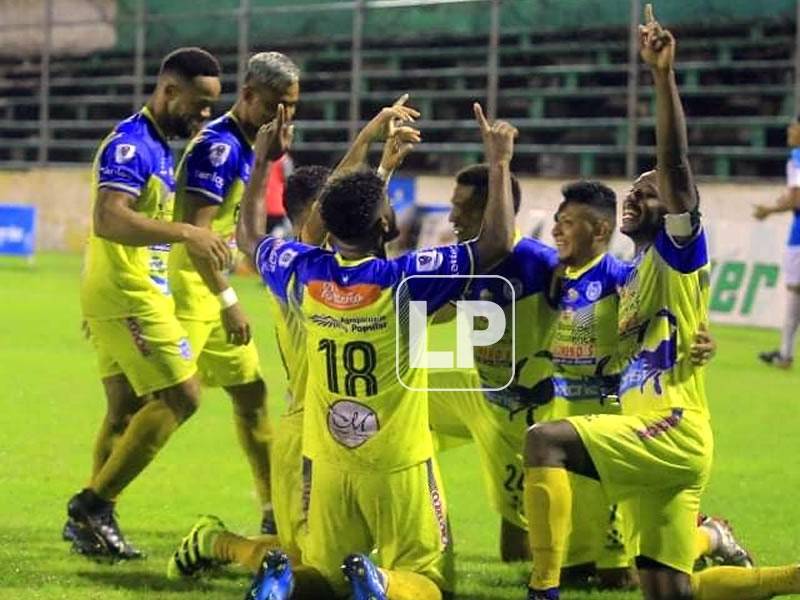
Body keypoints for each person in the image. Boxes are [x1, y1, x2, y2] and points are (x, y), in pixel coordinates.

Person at [523, 7, 800, 599]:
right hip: (657, 435)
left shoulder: (679, 254)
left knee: (545, 441)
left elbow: (675, 167)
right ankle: (772, 568)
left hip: (668, 429)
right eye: (635, 188)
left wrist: (661, 77)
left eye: (650, 193)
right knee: (667, 591)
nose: (637, 194)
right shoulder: (632, 275)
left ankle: (542, 590)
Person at [66, 47, 228, 560]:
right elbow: (108, 219)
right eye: (199, 104)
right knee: (184, 397)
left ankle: (91, 528)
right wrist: (186, 233)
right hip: (128, 293)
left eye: (211, 106)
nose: (204, 115)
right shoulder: (132, 145)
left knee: (124, 411)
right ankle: (94, 505)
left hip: (122, 292)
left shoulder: (160, 145)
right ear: (169, 90)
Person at [168, 51, 299, 534]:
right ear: (247, 96)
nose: (284, 117)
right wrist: (228, 301)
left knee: (250, 394)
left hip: (210, 286)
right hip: (189, 287)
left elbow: (249, 230)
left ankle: (271, 512)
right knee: (158, 404)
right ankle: (97, 502)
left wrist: (268, 158)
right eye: (276, 106)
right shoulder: (219, 149)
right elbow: (196, 236)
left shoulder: (252, 145)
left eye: (292, 107)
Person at [753, 116, 800, 369]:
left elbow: (797, 199)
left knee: (795, 292)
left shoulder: (797, 157)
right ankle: (784, 352)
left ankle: (785, 354)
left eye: (794, 127)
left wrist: (769, 210)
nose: (789, 131)